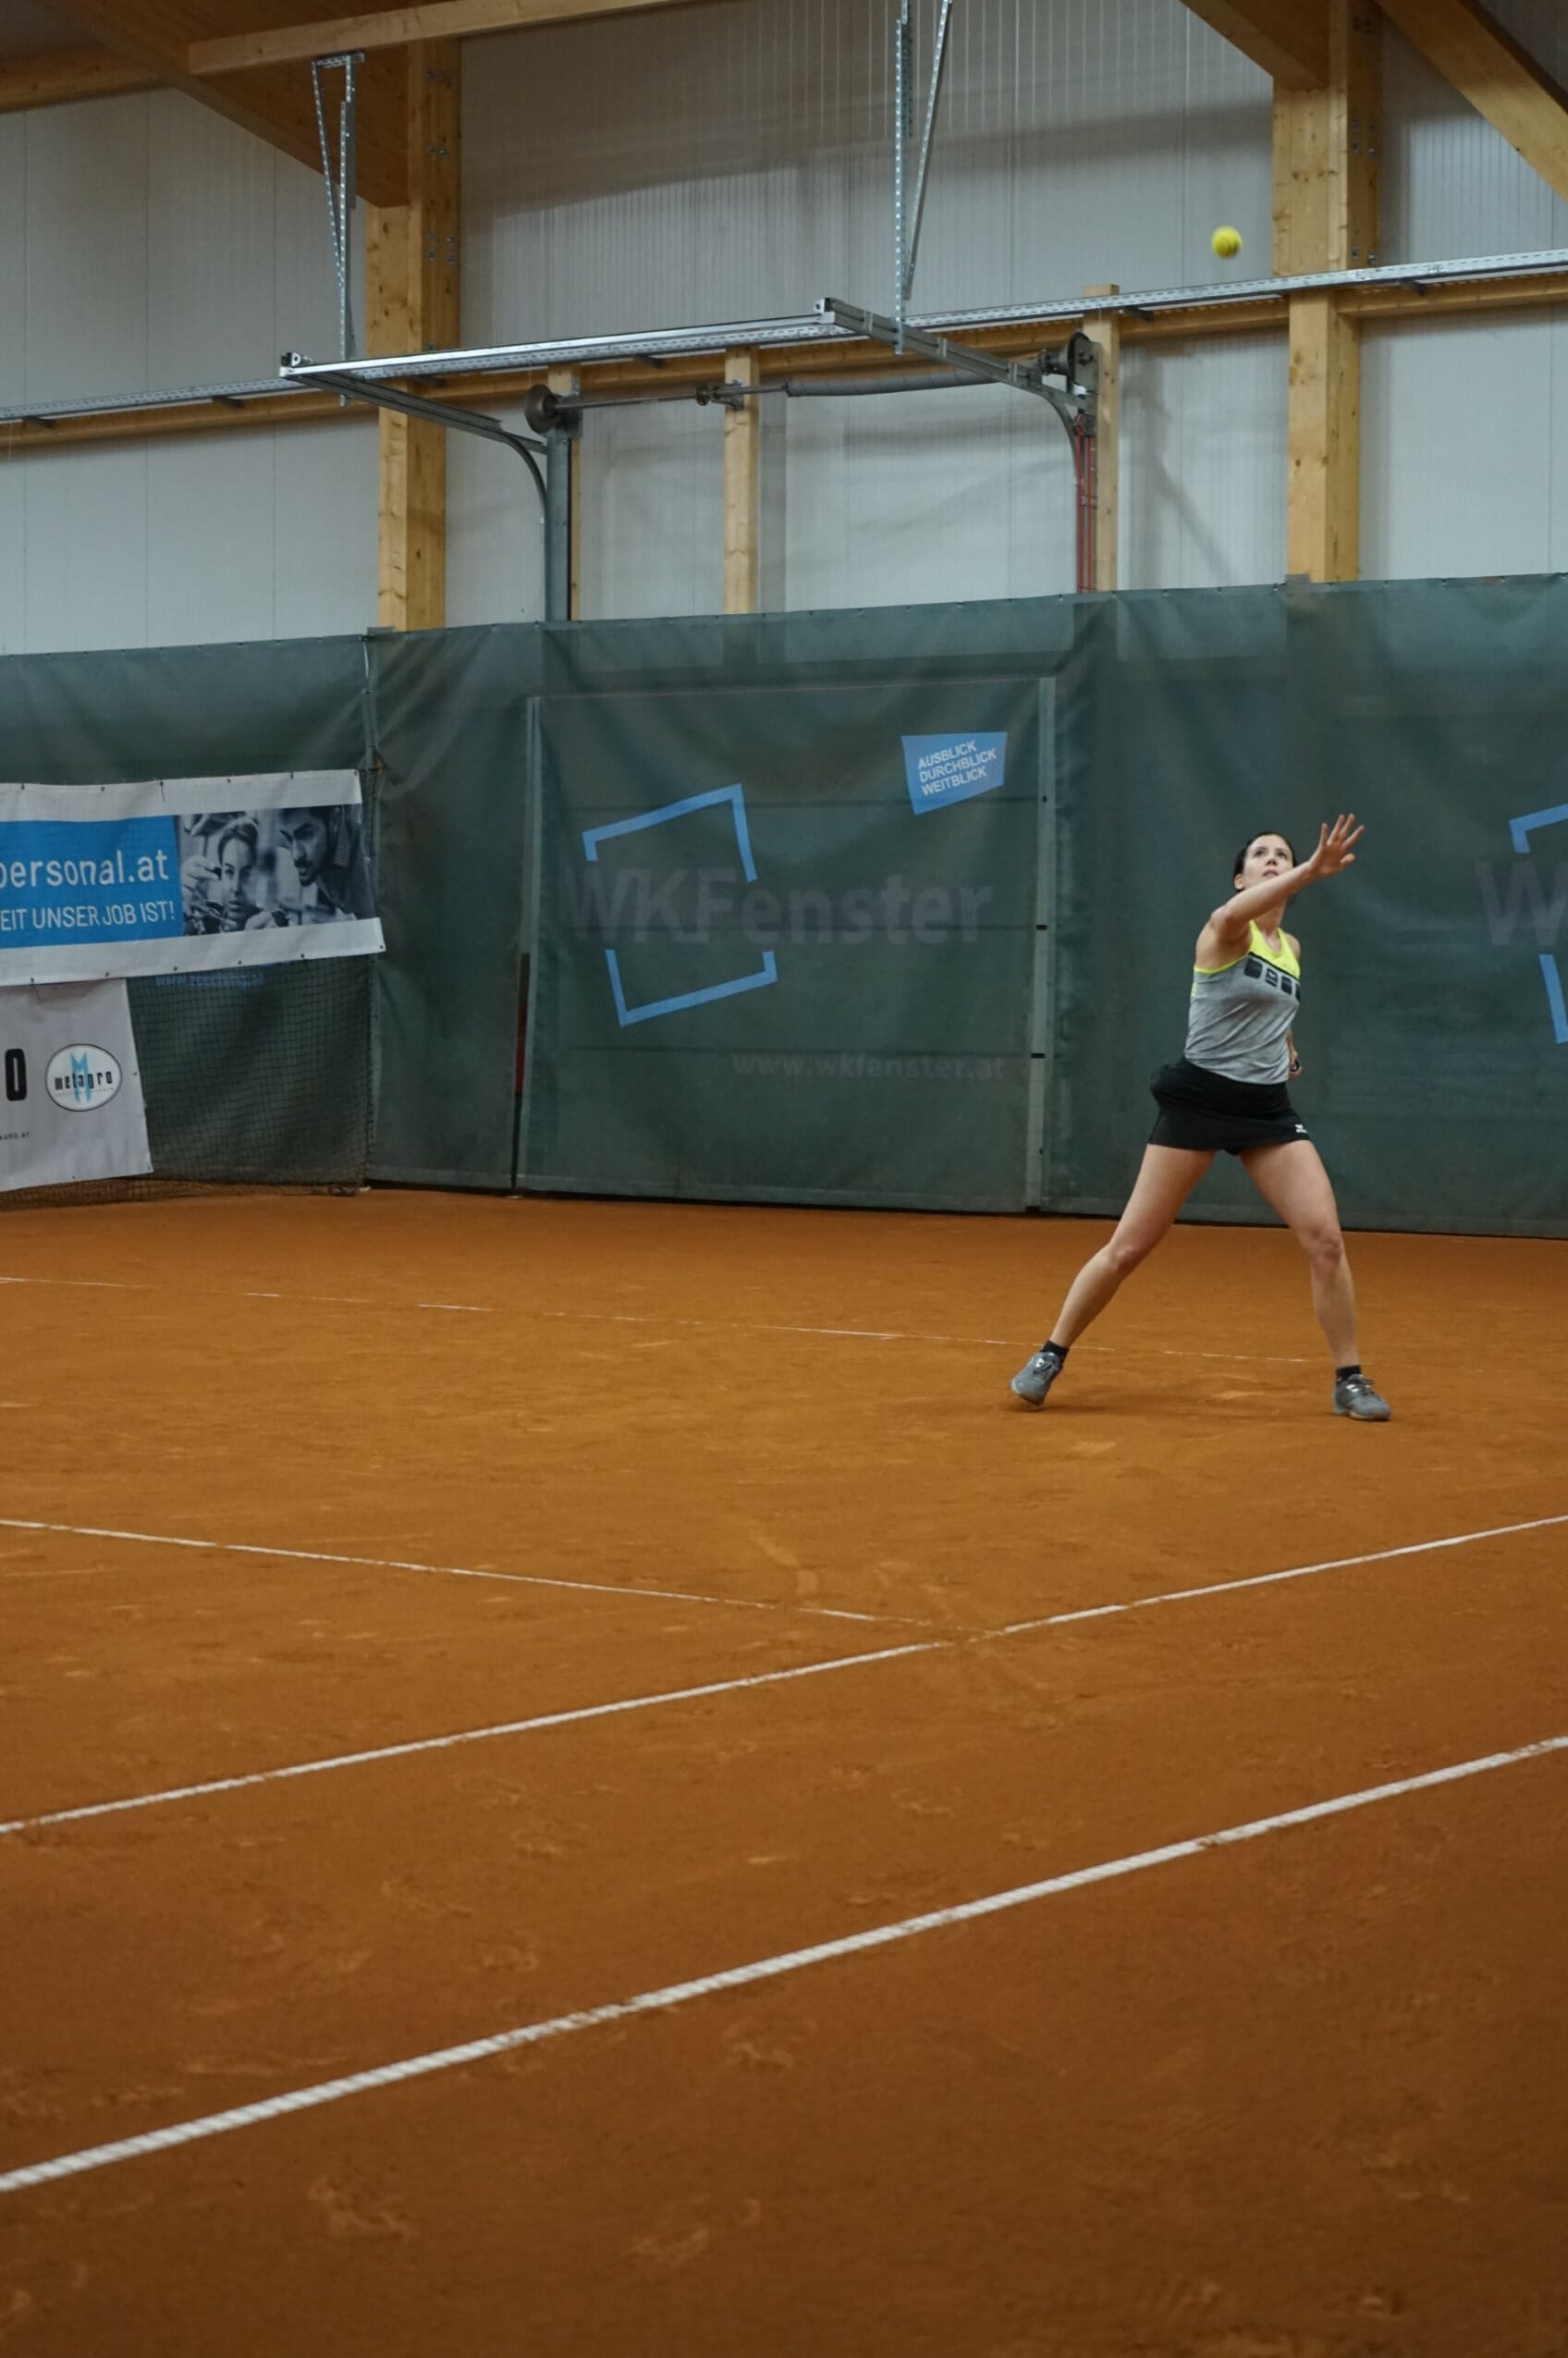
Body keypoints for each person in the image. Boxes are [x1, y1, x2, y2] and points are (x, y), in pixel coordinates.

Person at [1011, 816, 1391, 1421]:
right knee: (1128, 1248)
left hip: (1265, 1109)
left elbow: (1270, 1009)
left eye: (1281, 853)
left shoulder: (1291, 950)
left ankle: (1350, 1380)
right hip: (1200, 1101)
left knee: (1325, 1240)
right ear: (1241, 878)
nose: (1272, 858)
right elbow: (1231, 919)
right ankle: (1050, 1353)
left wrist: (1286, 1046)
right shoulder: (1226, 929)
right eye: (1260, 854)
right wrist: (1309, 870)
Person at [277, 805, 373, 924]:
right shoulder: (314, 849)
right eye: (288, 838)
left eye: (306, 835)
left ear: (334, 821)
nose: (296, 855)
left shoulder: (364, 874)